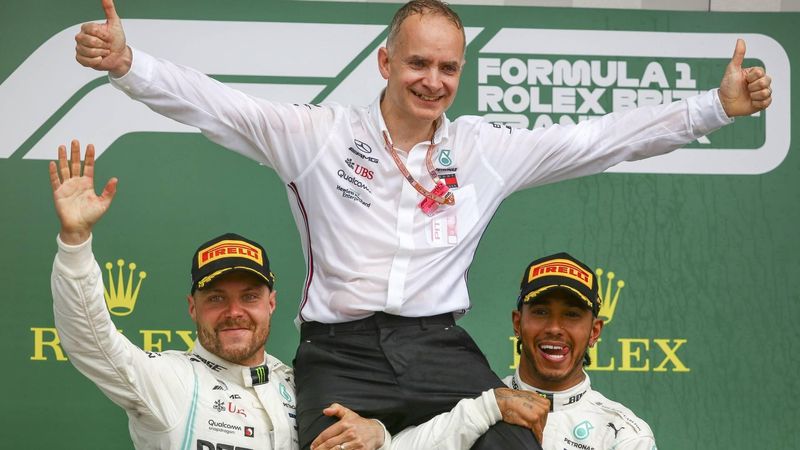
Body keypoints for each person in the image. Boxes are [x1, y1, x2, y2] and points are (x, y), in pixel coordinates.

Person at [73, 0, 772, 448]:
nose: (432, 80)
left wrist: (713, 108)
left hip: (439, 346)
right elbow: (218, 106)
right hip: (340, 353)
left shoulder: (482, 149)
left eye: (447, 67)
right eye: (417, 63)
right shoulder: (319, 136)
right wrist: (130, 65)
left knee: (514, 442)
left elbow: (598, 139)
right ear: (385, 61)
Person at [49, 140, 550, 450]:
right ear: (192, 308)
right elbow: (91, 341)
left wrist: (381, 436)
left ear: (272, 303)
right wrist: (75, 241)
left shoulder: (304, 386)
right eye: (216, 299)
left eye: (249, 296)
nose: (234, 312)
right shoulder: (167, 380)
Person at [504, 252, 657, 449]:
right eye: (541, 312)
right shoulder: (479, 410)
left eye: (571, 314)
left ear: (594, 332)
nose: (554, 328)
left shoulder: (625, 436)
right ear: (517, 323)